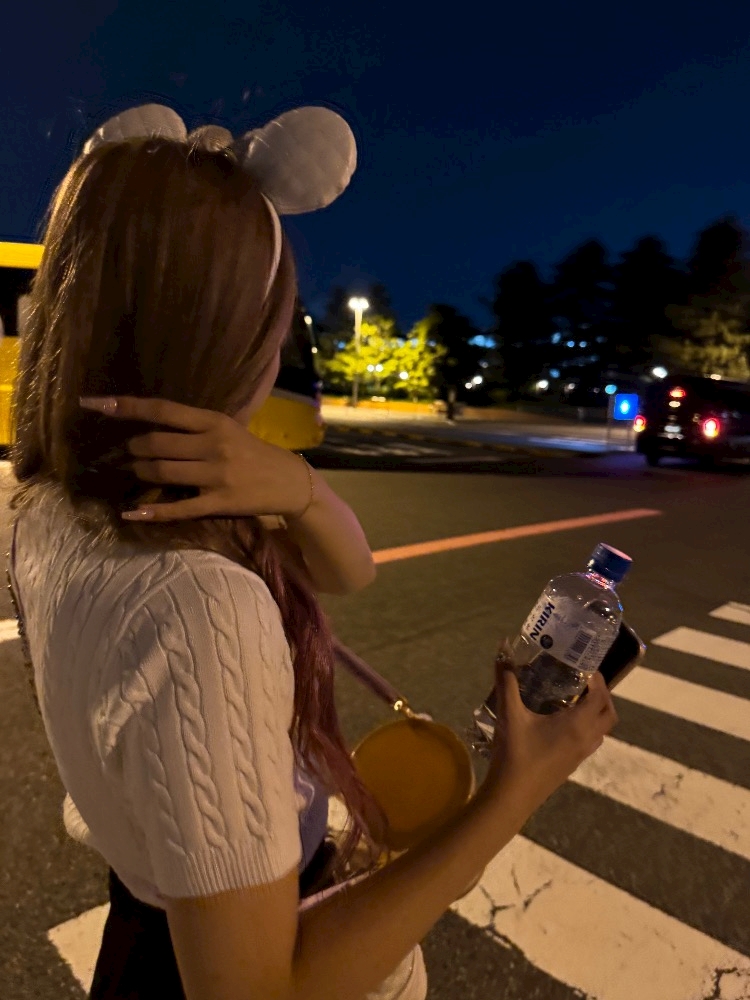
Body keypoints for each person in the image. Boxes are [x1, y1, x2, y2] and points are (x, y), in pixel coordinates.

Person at [8, 103, 618, 1000]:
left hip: (146, 926)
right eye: (274, 316)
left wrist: (295, 487)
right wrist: (517, 789)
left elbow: (347, 571)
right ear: (229, 336)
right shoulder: (194, 601)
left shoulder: (50, 505)